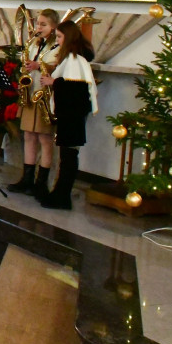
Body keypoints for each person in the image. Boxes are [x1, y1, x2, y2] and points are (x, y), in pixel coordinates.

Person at [37, 21, 97, 209]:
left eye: (61, 37)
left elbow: (74, 89)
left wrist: (52, 81)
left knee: (69, 157)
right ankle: (59, 194)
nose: (58, 40)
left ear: (69, 37)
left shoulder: (74, 59)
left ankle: (62, 197)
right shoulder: (75, 58)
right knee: (68, 156)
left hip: (72, 113)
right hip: (71, 113)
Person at [8, 8, 60, 198]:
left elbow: (60, 68)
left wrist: (40, 65)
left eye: (43, 24)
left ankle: (41, 183)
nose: (39, 27)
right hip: (30, 94)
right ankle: (27, 179)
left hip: (45, 96)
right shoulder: (34, 44)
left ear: (54, 27)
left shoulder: (58, 46)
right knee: (29, 136)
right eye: (38, 24)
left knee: (44, 139)